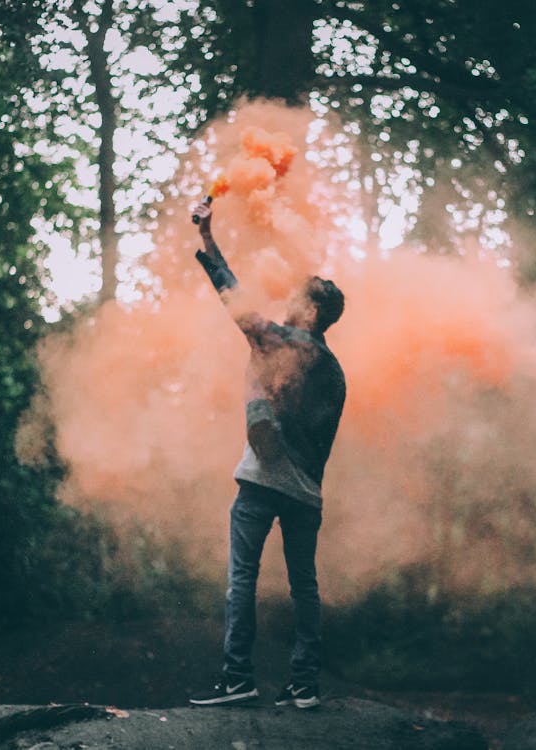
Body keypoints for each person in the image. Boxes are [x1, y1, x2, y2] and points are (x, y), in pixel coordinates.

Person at [187, 199, 346, 710]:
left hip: (261, 485)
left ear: (313, 312)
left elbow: (239, 309)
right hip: (307, 494)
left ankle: (238, 679)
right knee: (305, 587)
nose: (289, 301)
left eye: (298, 299)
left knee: (242, 580)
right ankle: (304, 684)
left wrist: (209, 242)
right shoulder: (336, 371)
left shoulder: (291, 345)